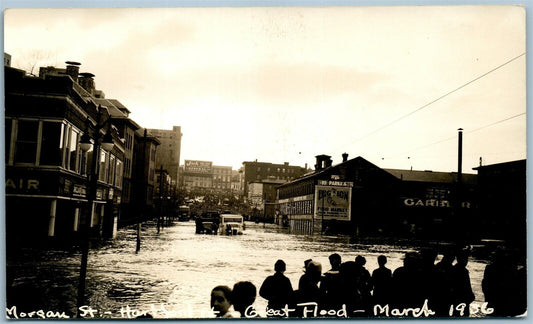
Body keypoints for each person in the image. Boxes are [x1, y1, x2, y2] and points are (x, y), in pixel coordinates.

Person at [450, 250, 475, 317]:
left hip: (459, 299)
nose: (466, 261)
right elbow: (466, 286)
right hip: (462, 298)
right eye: (465, 259)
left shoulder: (455, 269)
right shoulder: (462, 271)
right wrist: (470, 296)